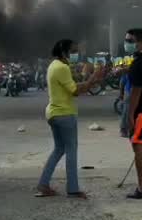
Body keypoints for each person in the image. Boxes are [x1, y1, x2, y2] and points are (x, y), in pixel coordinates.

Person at [36, 39, 103, 199]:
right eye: (73, 51)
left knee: (59, 149)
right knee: (71, 151)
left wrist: (88, 80)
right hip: (65, 114)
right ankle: (72, 189)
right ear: (64, 52)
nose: (76, 54)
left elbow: (71, 85)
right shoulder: (62, 67)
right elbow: (75, 91)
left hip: (54, 113)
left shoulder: (54, 65)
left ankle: (43, 184)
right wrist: (93, 79)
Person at [125, 28, 142, 199]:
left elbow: (136, 92)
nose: (126, 44)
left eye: (129, 40)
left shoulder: (139, 62)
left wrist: (130, 115)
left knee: (139, 146)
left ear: (139, 41)